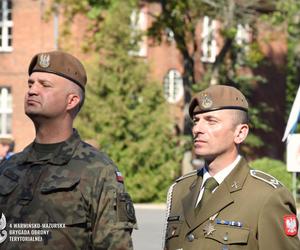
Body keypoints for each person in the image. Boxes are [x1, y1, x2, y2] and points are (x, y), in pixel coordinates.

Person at [0, 51, 137, 249]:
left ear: (71, 101)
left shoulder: (98, 171)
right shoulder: (9, 169)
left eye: (44, 85)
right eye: (31, 84)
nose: (32, 90)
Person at [163, 85, 300, 250]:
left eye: (211, 121)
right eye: (196, 121)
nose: (198, 129)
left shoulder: (267, 196)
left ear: (240, 133)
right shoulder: (180, 189)